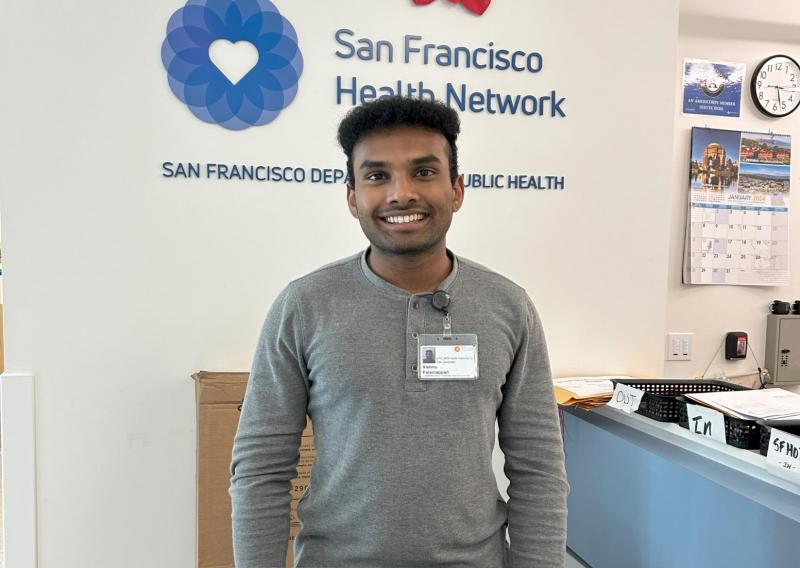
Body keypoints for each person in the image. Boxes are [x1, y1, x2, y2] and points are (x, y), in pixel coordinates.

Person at [229, 96, 568, 567]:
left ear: (458, 190)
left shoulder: (508, 307)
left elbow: (539, 470)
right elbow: (260, 468)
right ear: (352, 197)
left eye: (424, 172)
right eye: (376, 176)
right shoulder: (303, 306)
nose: (400, 193)